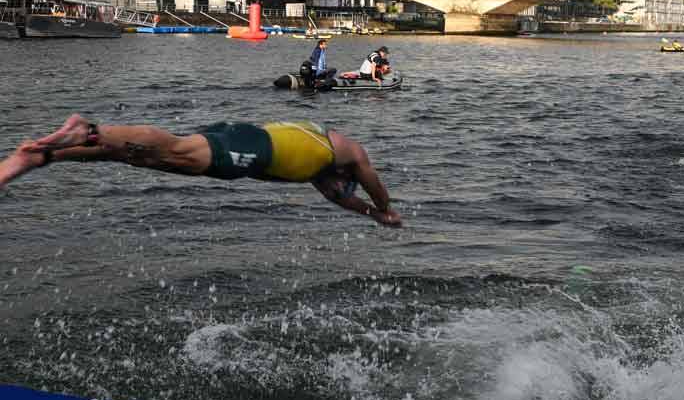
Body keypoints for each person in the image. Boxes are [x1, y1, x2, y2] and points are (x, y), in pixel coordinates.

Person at [0, 114, 402, 227]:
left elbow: (346, 200)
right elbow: (369, 179)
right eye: (342, 184)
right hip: (252, 147)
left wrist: (371, 215)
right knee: (173, 148)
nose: (338, 189)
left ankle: (46, 157)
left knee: (142, 157)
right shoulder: (343, 151)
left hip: (243, 144)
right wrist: (385, 208)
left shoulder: (321, 173)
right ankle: (89, 129)